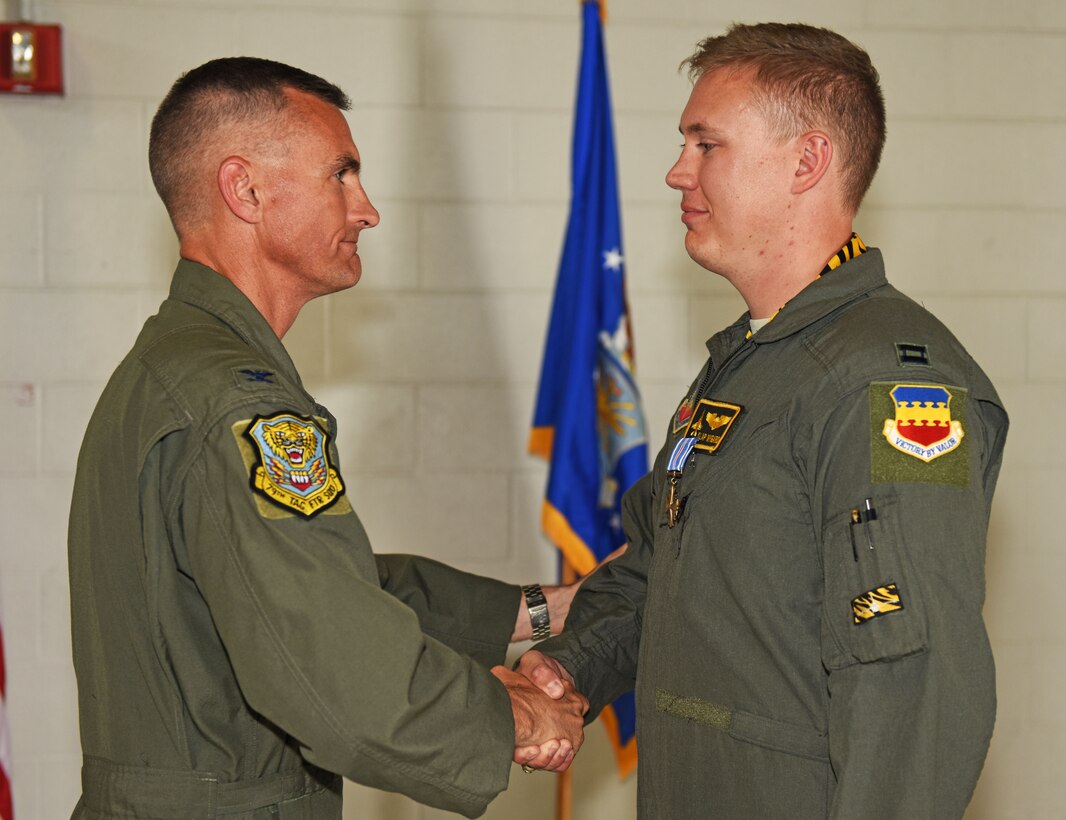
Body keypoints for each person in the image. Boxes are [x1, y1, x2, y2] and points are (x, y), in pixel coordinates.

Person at [67, 56, 587, 820]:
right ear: (245, 190)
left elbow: (310, 581)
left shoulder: (176, 366)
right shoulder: (235, 406)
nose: (366, 208)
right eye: (340, 174)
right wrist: (510, 715)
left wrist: (545, 609)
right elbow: (332, 665)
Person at [518, 22, 1009, 818]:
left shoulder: (879, 381)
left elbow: (912, 687)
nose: (678, 172)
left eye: (706, 144)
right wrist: (569, 669)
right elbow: (661, 565)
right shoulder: (754, 361)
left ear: (806, 162)